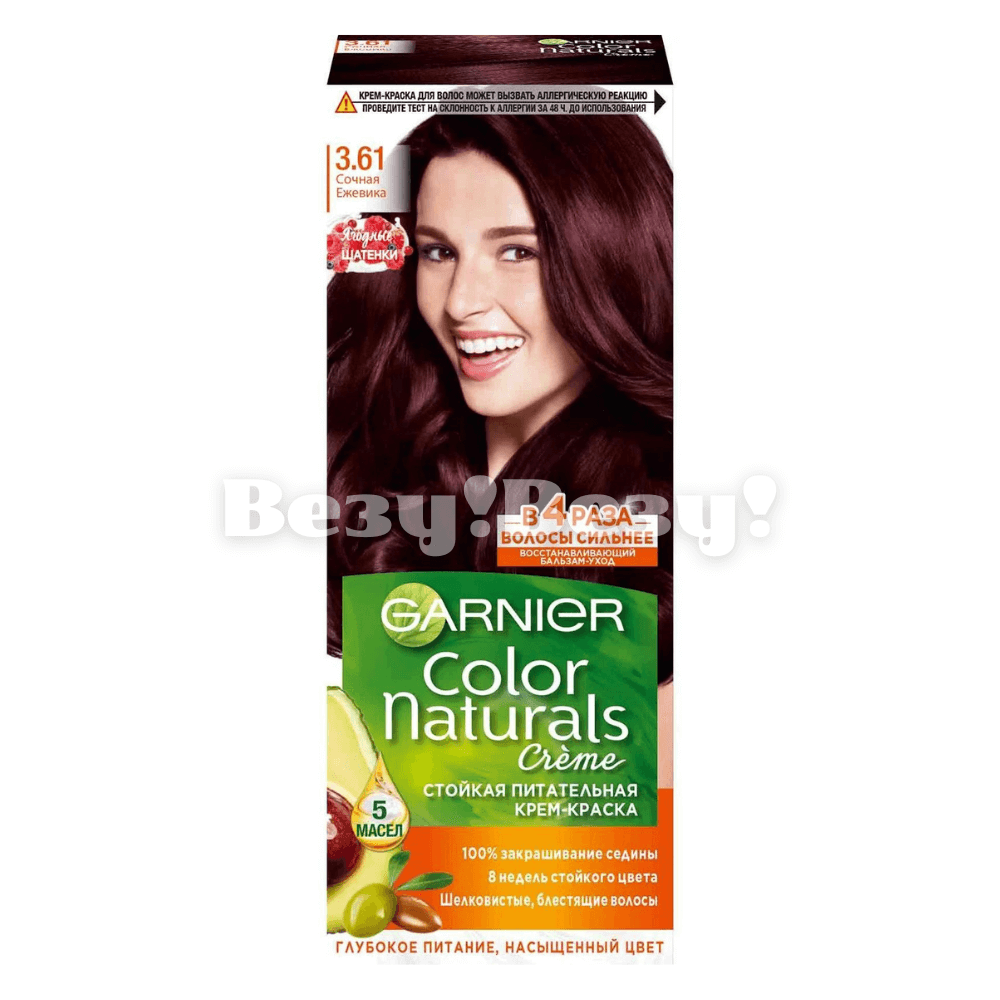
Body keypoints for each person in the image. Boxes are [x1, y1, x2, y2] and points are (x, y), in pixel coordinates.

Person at [328, 114, 673, 696]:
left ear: (617, 261)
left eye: (517, 252)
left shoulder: (662, 521)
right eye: (439, 252)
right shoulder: (378, 476)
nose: (460, 303)